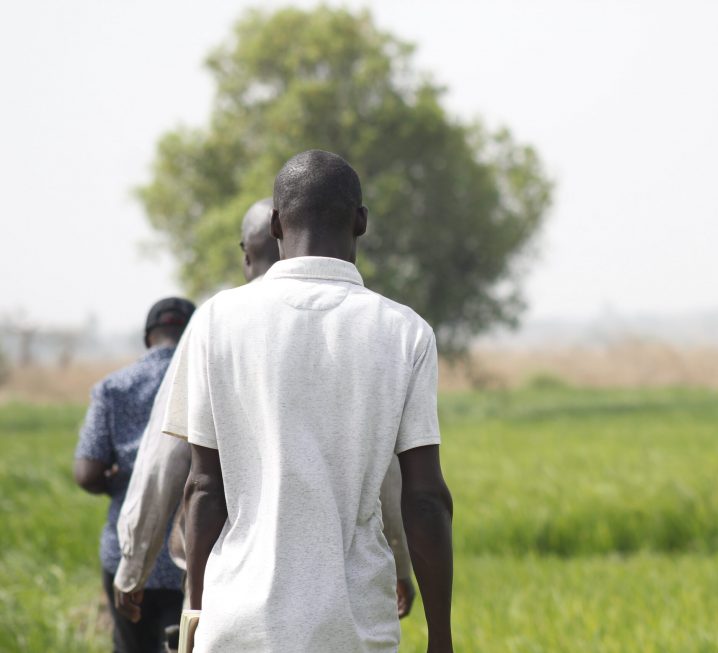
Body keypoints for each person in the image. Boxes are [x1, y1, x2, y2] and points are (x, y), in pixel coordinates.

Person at [167, 150, 454, 652]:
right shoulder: (405, 332)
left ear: (275, 224)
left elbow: (203, 488)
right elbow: (425, 498)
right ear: (360, 222)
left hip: (237, 625)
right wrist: (441, 637)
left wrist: (195, 614)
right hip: (354, 628)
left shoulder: (217, 321)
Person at [113, 198, 416, 634]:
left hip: (233, 595)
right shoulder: (361, 329)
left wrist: (134, 564)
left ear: (249, 251)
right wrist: (401, 563)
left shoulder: (215, 324)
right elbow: (386, 471)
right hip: (341, 602)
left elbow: (168, 462)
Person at [74, 297, 195, 653]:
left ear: (148, 337)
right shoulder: (205, 382)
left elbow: (85, 472)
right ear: (194, 334)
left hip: (127, 552)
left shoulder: (114, 387)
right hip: (190, 556)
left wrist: (120, 479)